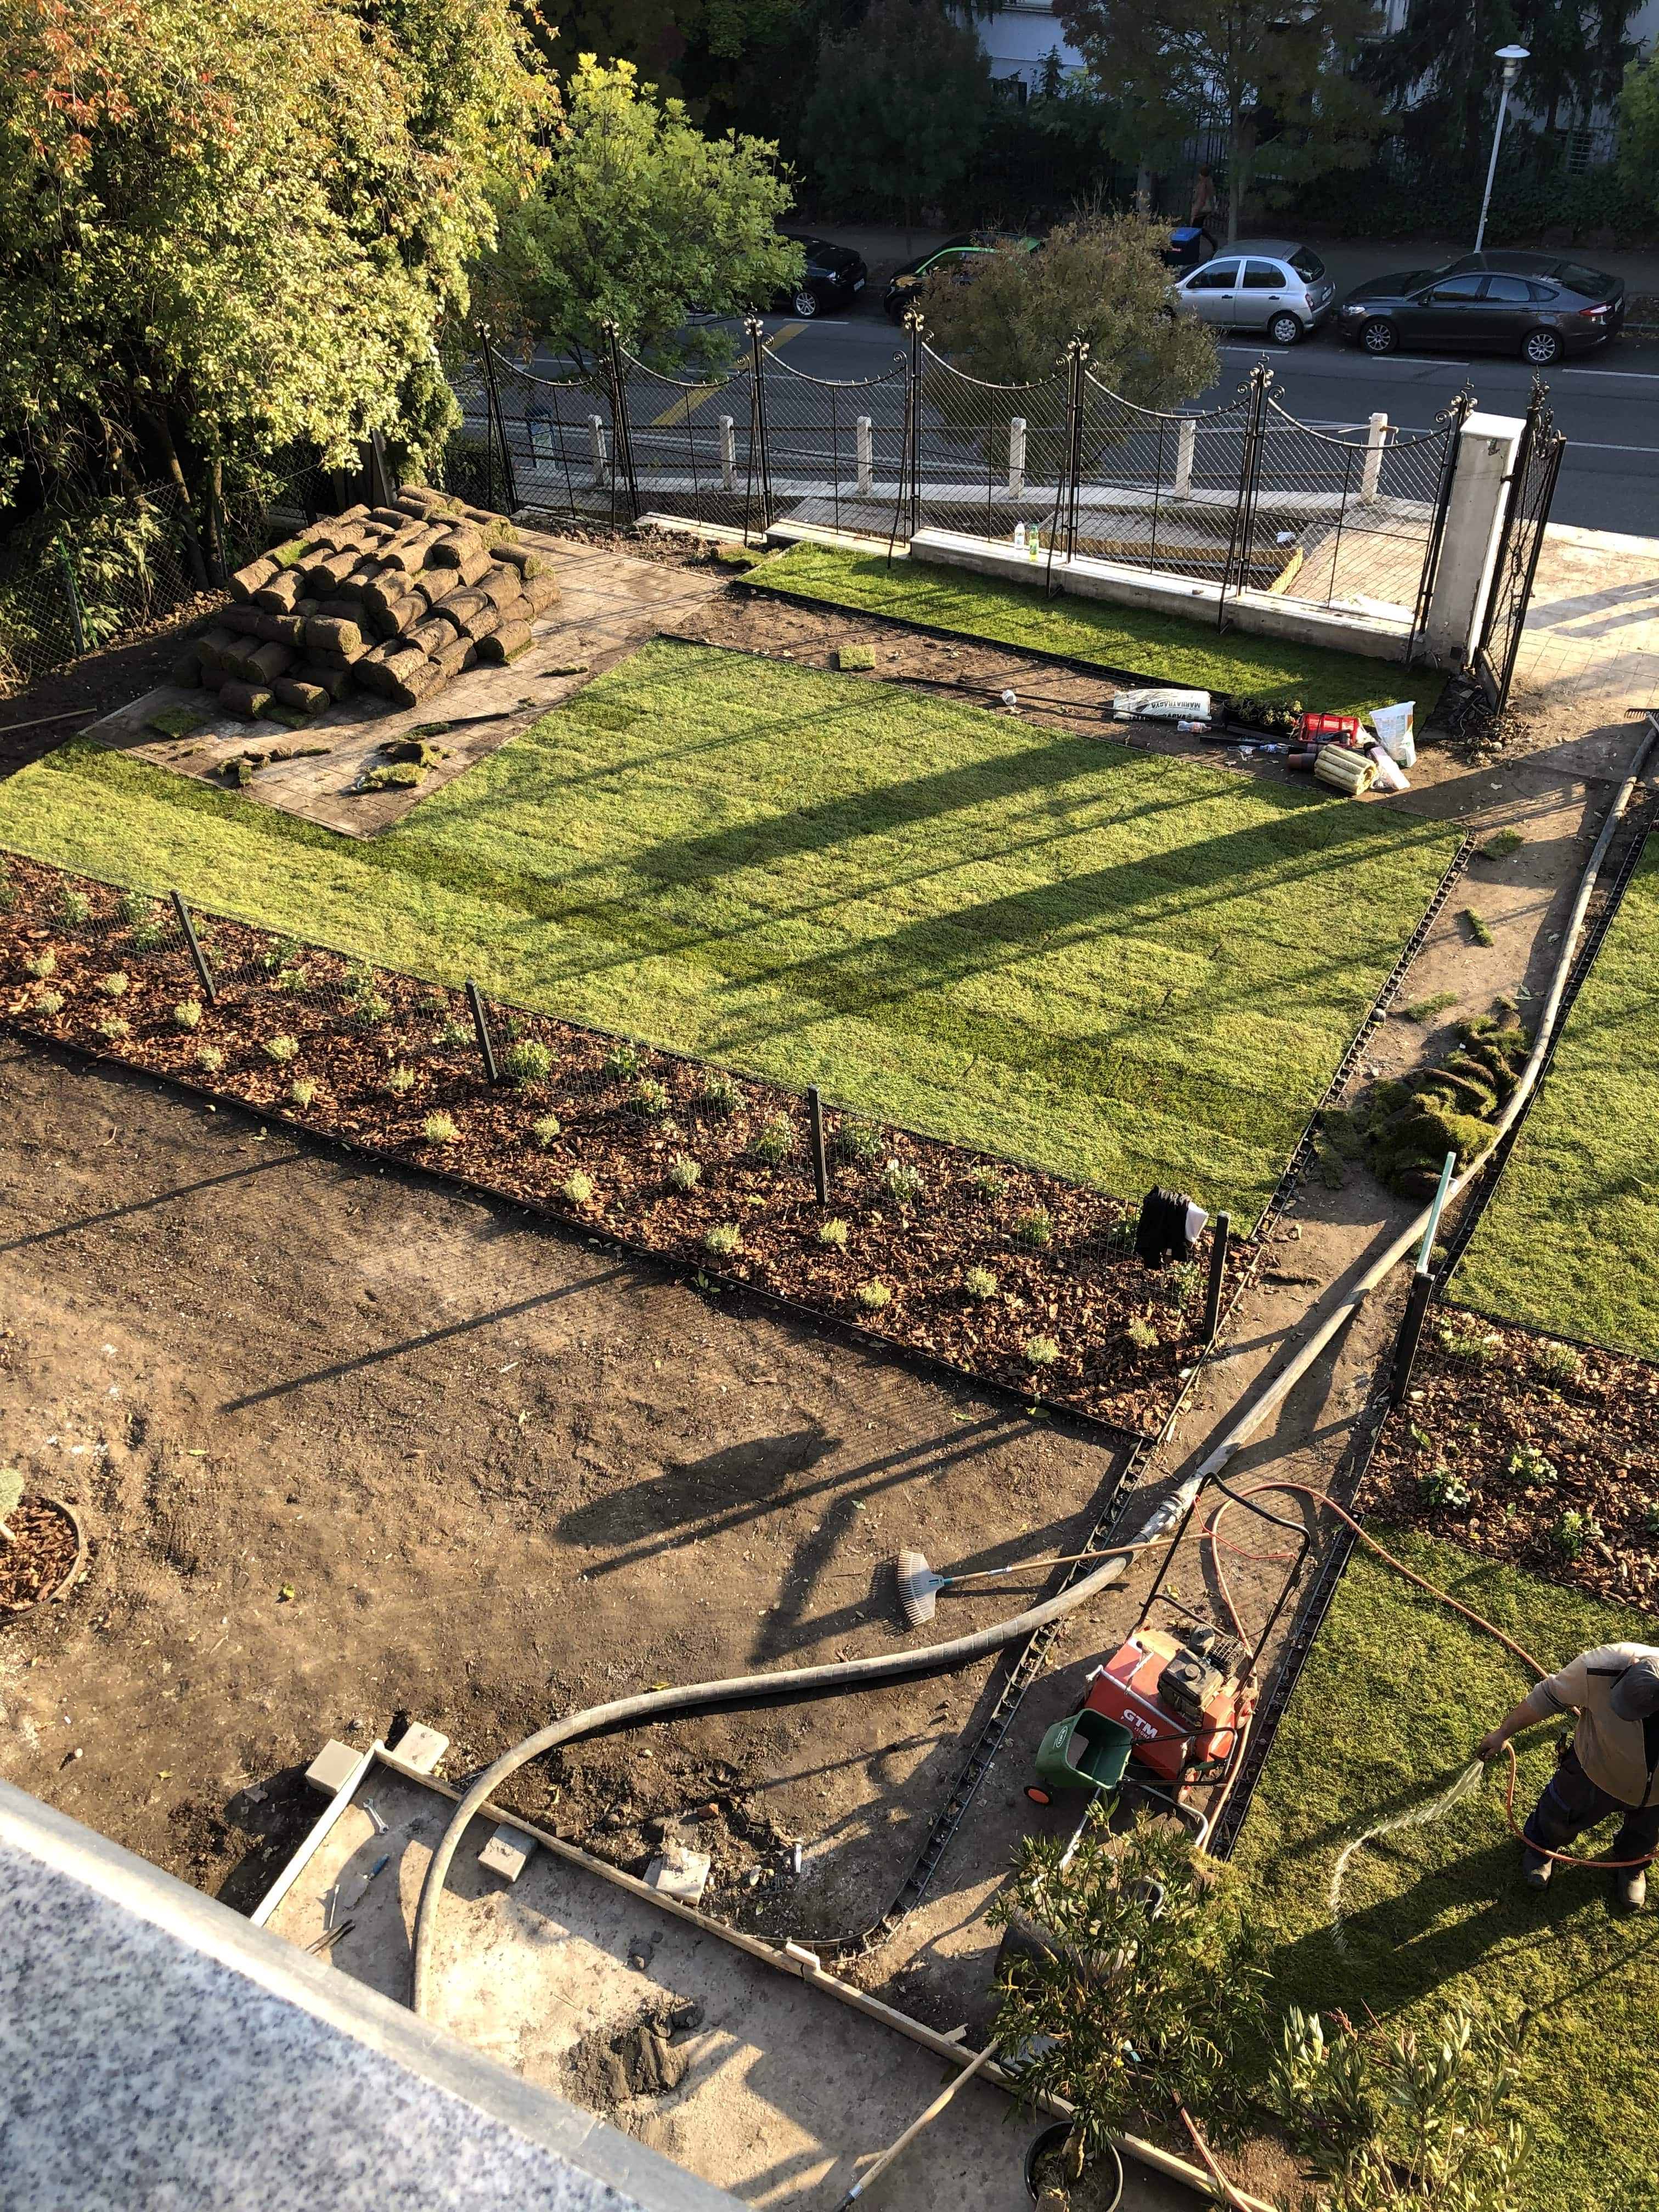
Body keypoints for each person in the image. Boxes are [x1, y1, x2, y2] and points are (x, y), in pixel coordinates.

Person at [1476, 1645, 1659, 1911]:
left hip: (1657, 1796)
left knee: (1646, 1833)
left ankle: (1632, 1864)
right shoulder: (1600, 1666)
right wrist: (1503, 1733)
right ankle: (1542, 1847)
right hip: (1595, 1768)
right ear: (1629, 1667)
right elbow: (1549, 1696)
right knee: (1560, 1813)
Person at [1189, 165, 1218, 242]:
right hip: (1205, 210)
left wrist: (1195, 211)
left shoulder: (1203, 184)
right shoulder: (1209, 183)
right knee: (1199, 228)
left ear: (1201, 175)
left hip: (1201, 210)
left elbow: (1201, 200)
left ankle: (1211, 242)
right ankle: (1212, 241)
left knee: (1195, 229)